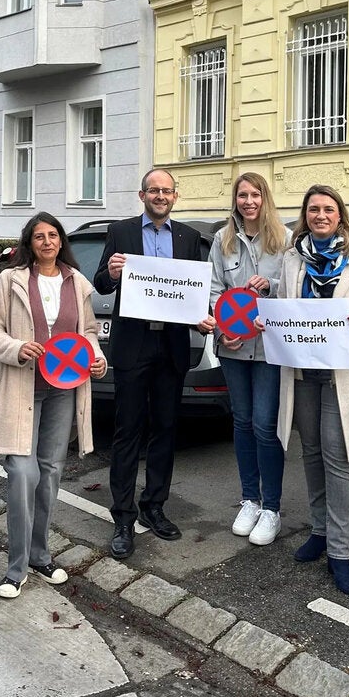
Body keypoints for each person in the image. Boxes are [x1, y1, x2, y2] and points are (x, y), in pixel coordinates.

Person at [276, 184, 349, 596]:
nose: (320, 215)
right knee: (310, 453)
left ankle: (340, 553)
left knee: (339, 459)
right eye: (313, 210)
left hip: (344, 374)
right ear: (305, 215)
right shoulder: (292, 258)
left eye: (328, 209)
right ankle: (320, 531)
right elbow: (282, 306)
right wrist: (268, 324)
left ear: (339, 214)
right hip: (304, 372)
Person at [0, 212, 107, 599]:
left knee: (50, 471)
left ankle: (40, 554)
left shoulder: (77, 282)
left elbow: (86, 333)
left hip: (62, 390)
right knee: (22, 472)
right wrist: (17, 348)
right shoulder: (11, 280)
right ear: (29, 243)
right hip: (23, 386)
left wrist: (96, 358)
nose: (48, 242)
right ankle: (15, 567)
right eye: (40, 236)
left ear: (61, 241)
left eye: (53, 235)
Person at [93, 168, 215, 560]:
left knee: (165, 429)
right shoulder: (122, 232)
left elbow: (191, 290)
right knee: (128, 430)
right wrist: (110, 274)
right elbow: (100, 282)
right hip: (133, 344)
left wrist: (201, 314)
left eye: (166, 191)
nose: (160, 196)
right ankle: (123, 517)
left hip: (172, 346)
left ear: (175, 197)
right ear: (141, 194)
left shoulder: (189, 237)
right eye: (153, 190)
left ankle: (154, 506)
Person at [209, 172, 290, 546]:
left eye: (255, 194)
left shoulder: (286, 240)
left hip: (271, 349)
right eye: (242, 195)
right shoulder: (221, 241)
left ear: (264, 198)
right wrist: (221, 329)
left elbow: (294, 291)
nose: (248, 201)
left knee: (264, 426)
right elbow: (213, 292)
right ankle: (250, 500)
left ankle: (271, 507)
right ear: (235, 201)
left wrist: (270, 286)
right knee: (241, 423)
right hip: (234, 348)